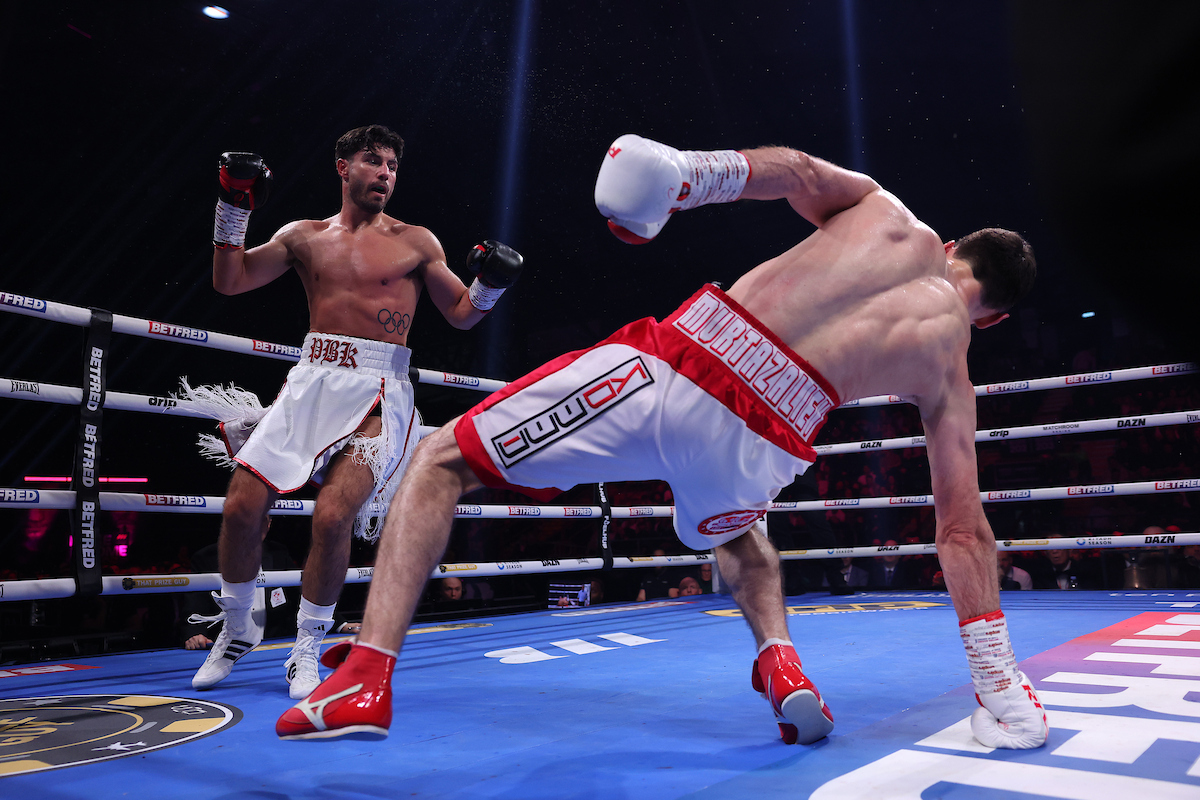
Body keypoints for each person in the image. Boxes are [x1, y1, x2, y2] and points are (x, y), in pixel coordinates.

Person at [277, 133, 1046, 751]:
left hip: (687, 365)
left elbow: (798, 169)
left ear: (952, 246)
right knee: (742, 532)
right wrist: (997, 678)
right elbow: (961, 530)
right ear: (995, 318)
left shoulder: (888, 216)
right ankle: (779, 660)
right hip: (765, 447)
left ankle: (368, 672)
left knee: (441, 458)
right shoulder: (951, 367)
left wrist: (687, 175)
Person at [183, 125, 523, 700]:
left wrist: (492, 282)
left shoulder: (417, 242)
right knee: (242, 507)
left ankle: (307, 646)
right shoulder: (303, 237)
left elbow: (463, 314)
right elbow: (230, 280)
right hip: (312, 382)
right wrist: (231, 206)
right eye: (373, 161)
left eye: (392, 164)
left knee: (334, 515)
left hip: (379, 389)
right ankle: (239, 628)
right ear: (343, 168)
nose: (385, 172)